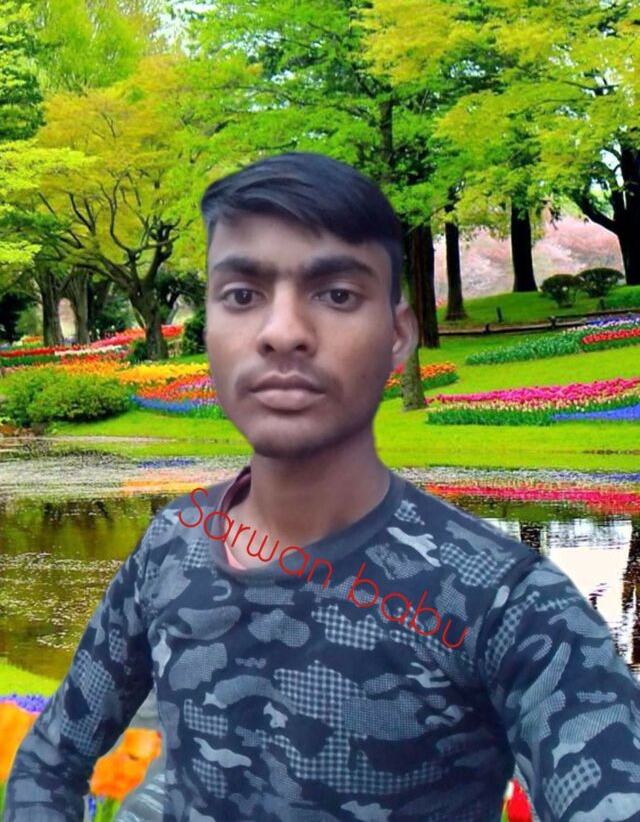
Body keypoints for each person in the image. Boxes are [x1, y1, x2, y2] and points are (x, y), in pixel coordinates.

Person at [6, 151, 640, 822]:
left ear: (397, 336)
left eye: (336, 294)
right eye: (242, 295)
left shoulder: (506, 600)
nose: (282, 333)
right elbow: (49, 760)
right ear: (209, 328)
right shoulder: (173, 542)